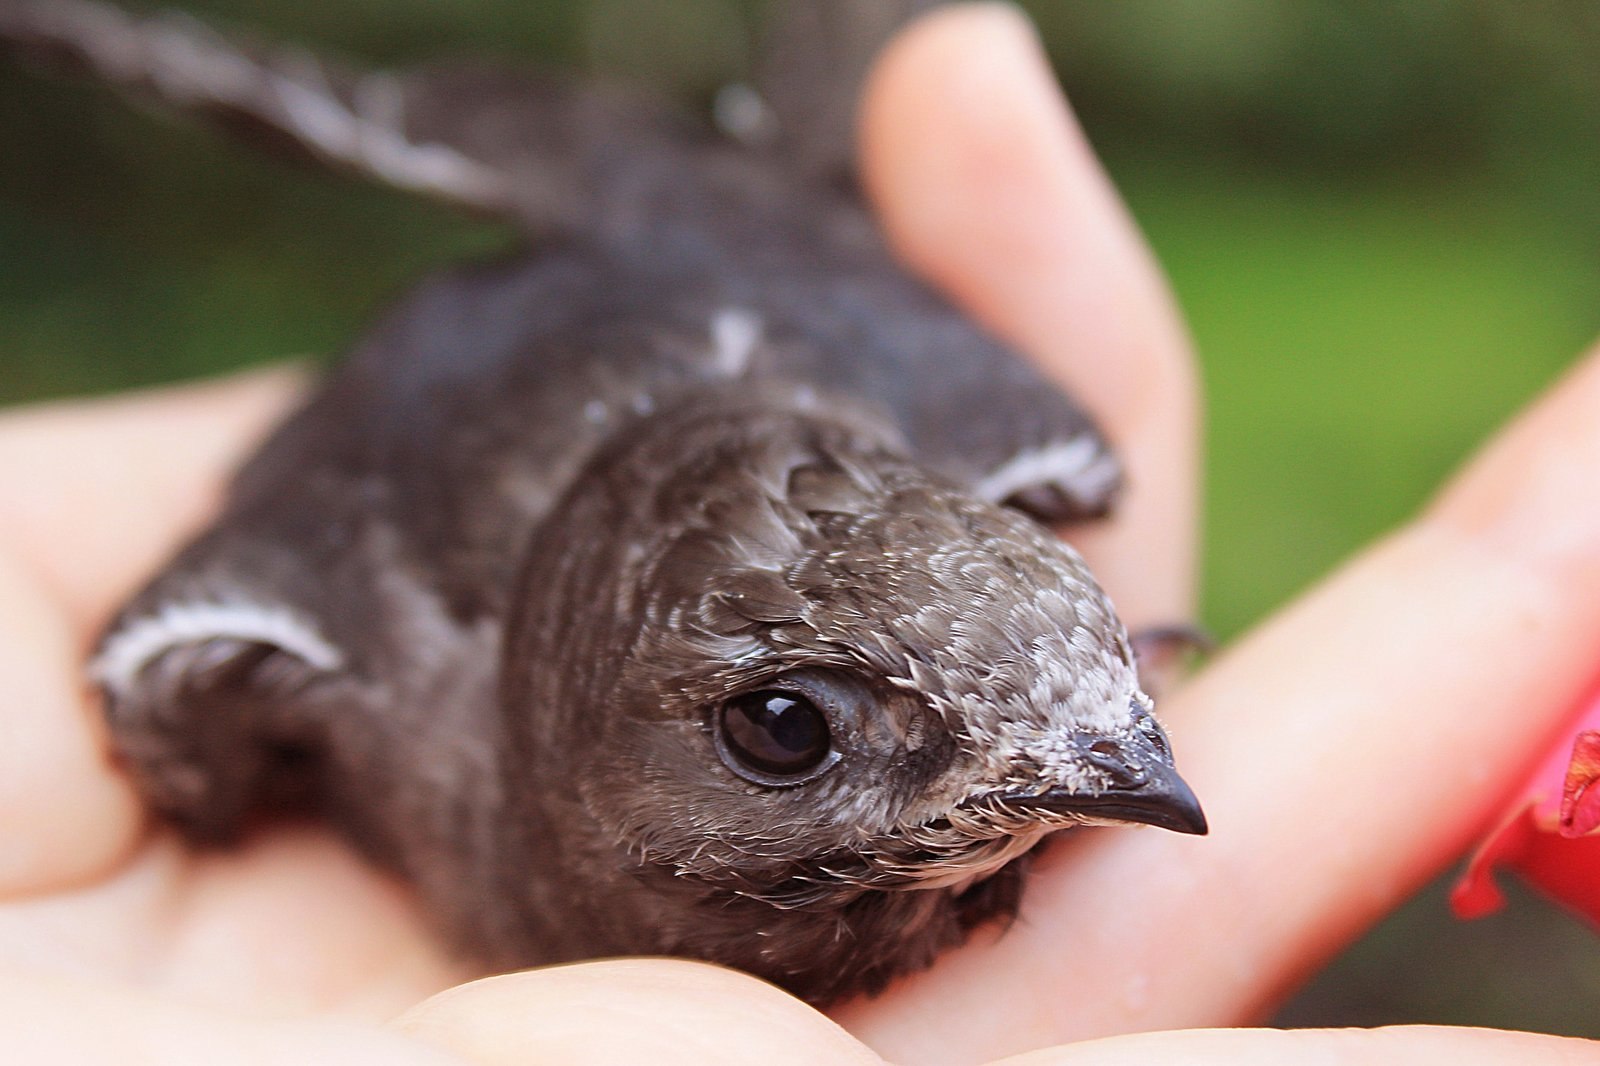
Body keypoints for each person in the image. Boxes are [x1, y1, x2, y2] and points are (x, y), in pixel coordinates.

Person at [0, 5, 1594, 1063]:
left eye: (1106, 672)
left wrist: (1041, 726)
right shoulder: (354, 622)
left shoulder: (995, 442)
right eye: (787, 727)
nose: (1121, 794)